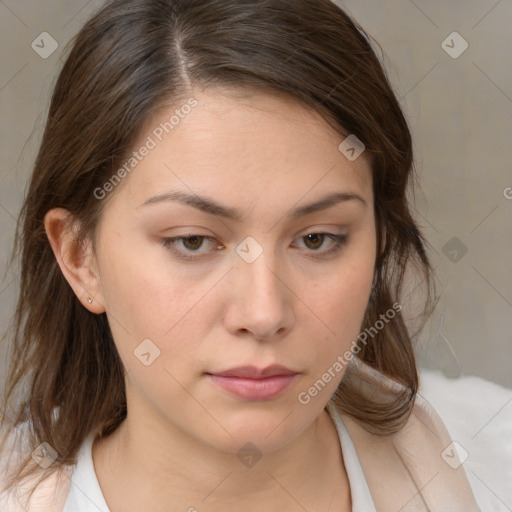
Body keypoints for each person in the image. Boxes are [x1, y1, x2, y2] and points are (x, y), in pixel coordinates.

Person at [0, 0, 481, 510]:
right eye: (193, 241)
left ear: (379, 240)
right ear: (80, 258)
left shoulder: (494, 459)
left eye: (317, 239)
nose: (264, 313)